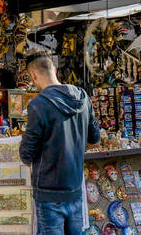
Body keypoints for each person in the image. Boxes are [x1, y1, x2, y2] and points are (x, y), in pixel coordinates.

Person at [19, 49, 100, 234]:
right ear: (54, 69)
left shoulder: (38, 105)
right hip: (75, 189)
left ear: (32, 75)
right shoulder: (82, 97)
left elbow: (26, 155)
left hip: (49, 194)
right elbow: (95, 139)